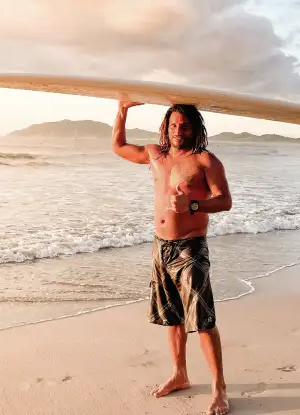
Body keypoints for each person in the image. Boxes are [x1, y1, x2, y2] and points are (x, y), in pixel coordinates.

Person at [111, 101, 232, 415]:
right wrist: (123, 108)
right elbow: (119, 146)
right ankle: (180, 374)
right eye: (174, 125)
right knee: (172, 317)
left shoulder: (205, 161)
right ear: (165, 126)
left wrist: (193, 205)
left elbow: (225, 201)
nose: (179, 131)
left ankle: (219, 388)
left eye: (185, 125)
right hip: (160, 247)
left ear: (195, 128)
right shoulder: (155, 154)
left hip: (190, 248)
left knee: (203, 321)